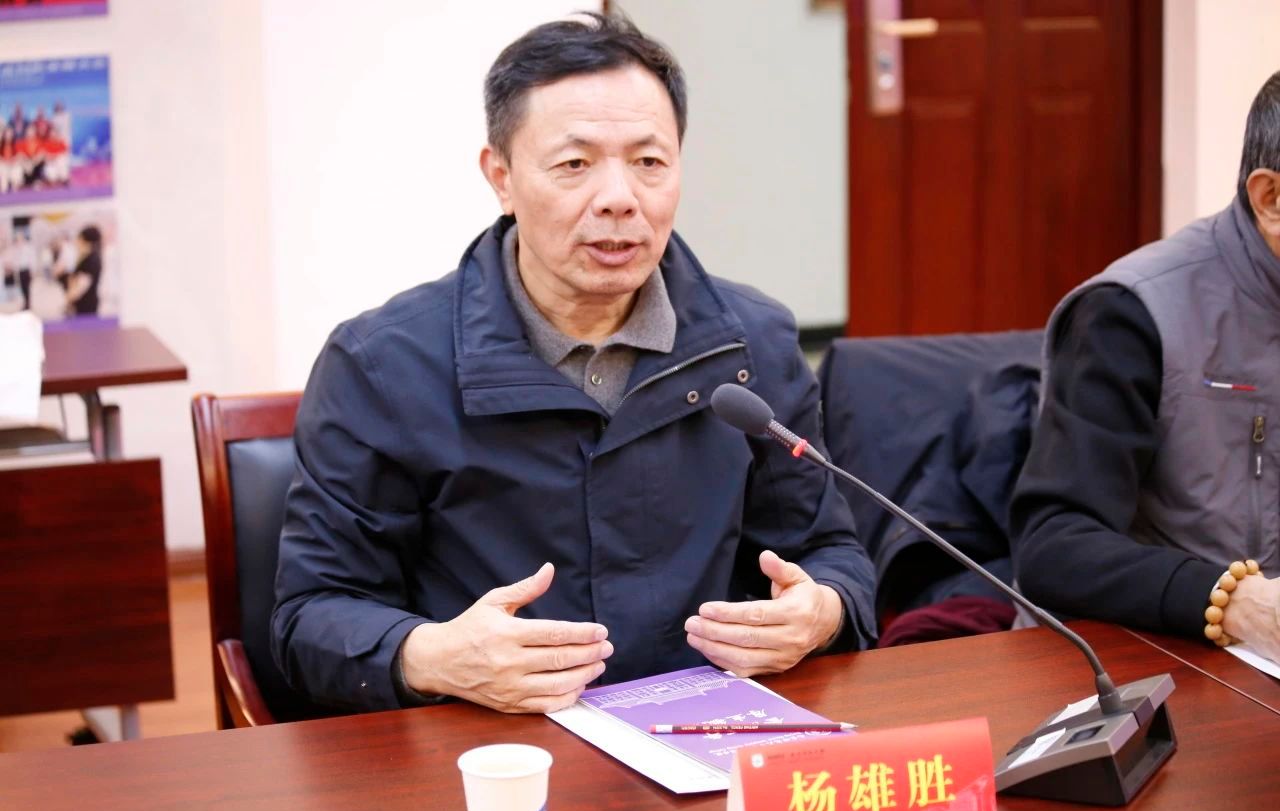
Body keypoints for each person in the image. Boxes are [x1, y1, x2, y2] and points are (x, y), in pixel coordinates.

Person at [272, 13, 877, 716]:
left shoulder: (753, 345)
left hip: (706, 733)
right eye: (574, 164)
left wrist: (821, 611)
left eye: (649, 162)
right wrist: (433, 656)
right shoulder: (382, 366)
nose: (619, 198)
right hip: (490, 746)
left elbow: (830, 554)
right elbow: (311, 615)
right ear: (500, 177)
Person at [1011, 70, 1280, 662]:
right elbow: (1054, 548)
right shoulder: (1130, 313)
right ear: (1270, 199)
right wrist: (1235, 601)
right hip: (1153, 656)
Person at [62, 225, 102, 316]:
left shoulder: (91, 260)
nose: (76, 242)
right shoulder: (85, 258)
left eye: (78, 239)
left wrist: (68, 298)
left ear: (83, 240)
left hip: (86, 306)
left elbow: (81, 285)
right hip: (83, 304)